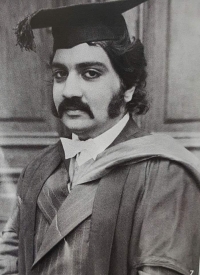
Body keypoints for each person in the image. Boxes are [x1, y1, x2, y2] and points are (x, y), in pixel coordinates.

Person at [0, 1, 200, 275]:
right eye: (60, 74)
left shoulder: (165, 175)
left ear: (128, 86)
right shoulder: (38, 170)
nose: (69, 90)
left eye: (90, 73)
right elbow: (9, 260)